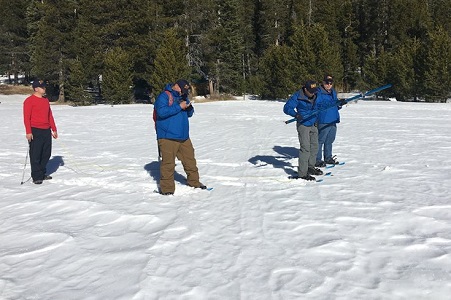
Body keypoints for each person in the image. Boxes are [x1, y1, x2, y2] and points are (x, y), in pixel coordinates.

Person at [154, 79, 206, 195]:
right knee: (168, 164)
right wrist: (179, 107)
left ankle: (194, 182)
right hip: (168, 137)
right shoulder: (164, 96)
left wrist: (189, 108)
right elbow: (161, 112)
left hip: (183, 136)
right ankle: (167, 190)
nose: (183, 93)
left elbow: (189, 114)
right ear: (176, 86)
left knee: (190, 161)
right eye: (182, 90)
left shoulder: (183, 97)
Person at [283, 80, 324, 181]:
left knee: (314, 146)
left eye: (314, 90)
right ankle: (302, 173)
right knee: (305, 148)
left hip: (314, 123)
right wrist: (295, 114)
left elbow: (325, 103)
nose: (313, 93)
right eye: (311, 91)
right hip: (303, 124)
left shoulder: (317, 94)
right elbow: (287, 108)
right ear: (305, 89)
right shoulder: (297, 96)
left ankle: (310, 167)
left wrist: (338, 103)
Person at [23, 79, 58, 184]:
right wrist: (28, 132)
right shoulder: (29, 101)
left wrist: (54, 129)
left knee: (46, 153)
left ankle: (42, 173)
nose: (44, 88)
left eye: (44, 87)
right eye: (42, 87)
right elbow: (26, 118)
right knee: (36, 154)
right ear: (36, 88)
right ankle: (37, 176)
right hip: (35, 130)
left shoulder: (45, 100)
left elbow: (49, 115)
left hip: (46, 130)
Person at [315, 74, 341, 167]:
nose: (329, 84)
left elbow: (335, 106)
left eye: (330, 83)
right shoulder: (318, 92)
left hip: (333, 119)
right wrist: (332, 103)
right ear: (323, 82)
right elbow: (318, 105)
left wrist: (339, 104)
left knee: (330, 139)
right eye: (327, 82)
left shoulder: (333, 92)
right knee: (320, 140)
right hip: (323, 120)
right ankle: (317, 159)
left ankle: (328, 157)